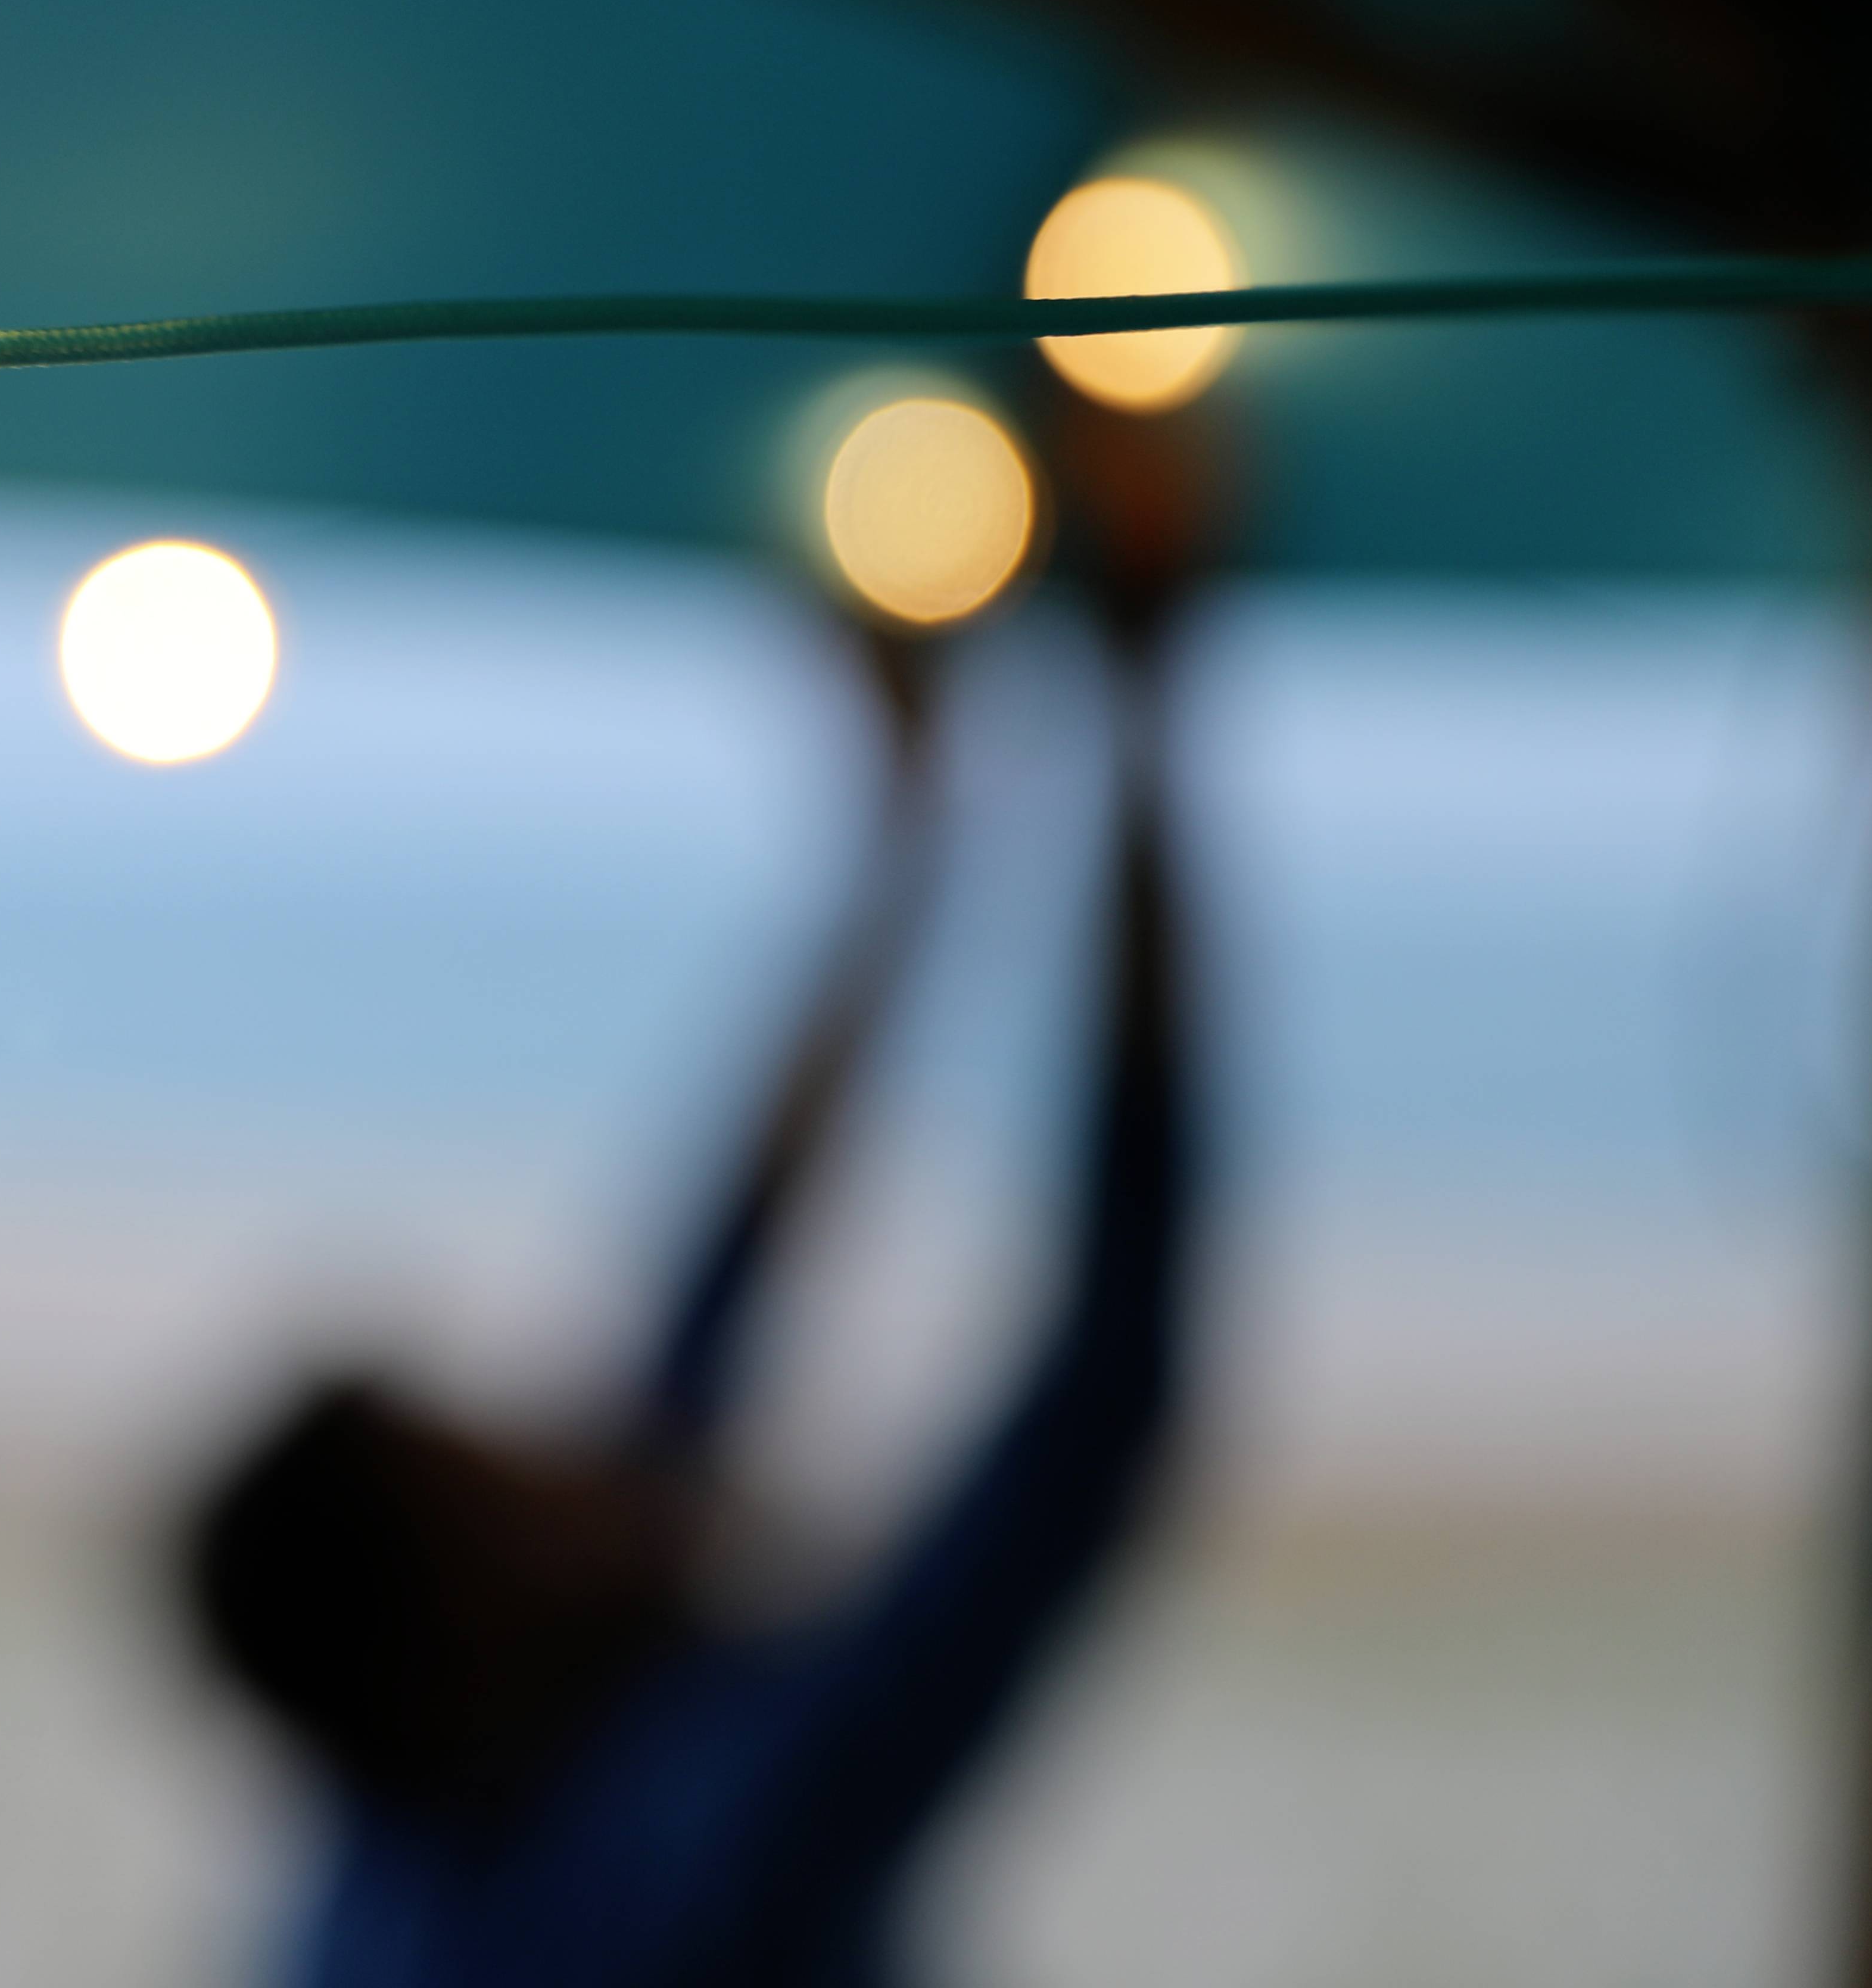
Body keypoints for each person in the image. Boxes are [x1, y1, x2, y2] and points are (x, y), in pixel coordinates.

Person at [177, 423, 1207, 1988]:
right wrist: (1145, 690)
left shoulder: (391, 1876)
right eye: (496, 1473)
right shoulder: (692, 1863)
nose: (562, 1444)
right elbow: (1101, 1387)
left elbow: (723, 1285)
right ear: (458, 1629)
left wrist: (910, 842)